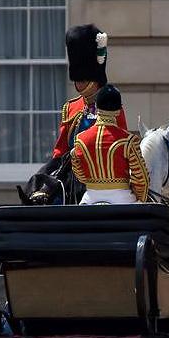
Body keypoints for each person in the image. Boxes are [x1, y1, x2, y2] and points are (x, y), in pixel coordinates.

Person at [20, 23, 128, 205]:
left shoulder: (111, 104)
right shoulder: (71, 108)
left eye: (83, 79)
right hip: (69, 168)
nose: (78, 84)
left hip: (100, 172)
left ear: (94, 77)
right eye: (77, 79)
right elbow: (61, 148)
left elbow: (120, 144)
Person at [71, 84, 149, 204]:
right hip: (123, 199)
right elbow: (141, 178)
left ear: (96, 107)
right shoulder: (129, 140)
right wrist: (140, 199)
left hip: (90, 198)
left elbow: (80, 175)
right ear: (118, 110)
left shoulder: (80, 139)